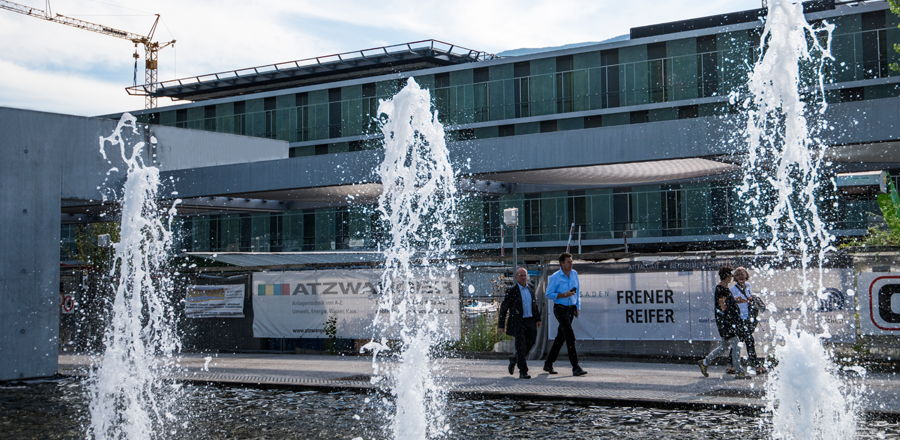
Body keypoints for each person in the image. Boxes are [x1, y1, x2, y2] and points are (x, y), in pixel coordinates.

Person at [698, 266, 749, 379]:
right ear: (726, 276)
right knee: (736, 344)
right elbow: (722, 306)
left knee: (724, 346)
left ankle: (705, 362)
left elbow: (726, 302)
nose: (731, 277)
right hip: (727, 323)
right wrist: (732, 308)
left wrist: (735, 301)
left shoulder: (724, 288)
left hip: (727, 322)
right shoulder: (721, 289)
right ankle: (739, 371)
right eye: (730, 275)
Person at [543, 252, 587, 376]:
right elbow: (548, 294)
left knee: (560, 338)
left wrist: (577, 306)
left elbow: (577, 291)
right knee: (570, 336)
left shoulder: (574, 274)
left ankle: (548, 363)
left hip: (570, 309)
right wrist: (563, 295)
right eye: (568, 261)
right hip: (560, 309)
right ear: (562, 264)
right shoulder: (555, 277)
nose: (571, 263)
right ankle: (575, 367)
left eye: (571, 261)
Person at [498, 267, 542, 379]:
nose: (523, 278)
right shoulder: (512, 291)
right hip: (518, 322)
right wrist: (501, 325)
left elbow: (534, 305)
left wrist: (538, 318)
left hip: (530, 320)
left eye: (524, 275)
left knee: (532, 342)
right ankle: (523, 371)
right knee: (521, 346)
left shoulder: (530, 289)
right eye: (521, 275)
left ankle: (514, 359)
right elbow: (504, 308)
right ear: (517, 277)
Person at [730, 267, 767, 374]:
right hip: (739, 319)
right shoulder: (732, 289)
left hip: (749, 318)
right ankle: (755, 365)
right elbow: (731, 304)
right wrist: (739, 301)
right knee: (749, 340)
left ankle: (732, 364)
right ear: (735, 278)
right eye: (738, 274)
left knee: (738, 341)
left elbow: (749, 298)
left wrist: (752, 299)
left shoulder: (748, 286)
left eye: (743, 274)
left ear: (746, 276)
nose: (741, 276)